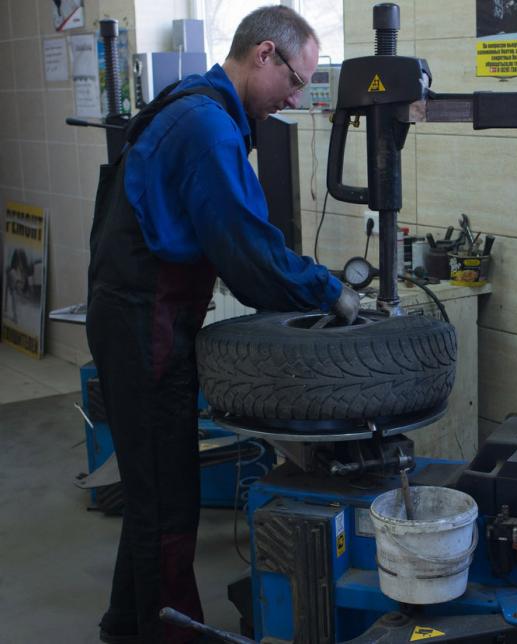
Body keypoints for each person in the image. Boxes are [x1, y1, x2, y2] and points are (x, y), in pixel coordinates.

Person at [85, 6, 359, 643]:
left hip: (136, 316)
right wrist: (330, 292)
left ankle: (125, 626)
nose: (296, 98)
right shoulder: (208, 127)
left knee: (151, 487)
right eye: (296, 81)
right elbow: (249, 253)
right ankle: (169, 635)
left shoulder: (193, 103)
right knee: (168, 501)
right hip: (144, 325)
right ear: (264, 54)